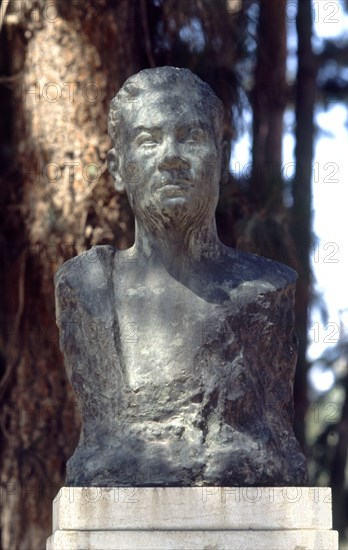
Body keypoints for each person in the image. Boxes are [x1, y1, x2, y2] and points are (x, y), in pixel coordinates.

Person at [55, 67, 307, 486]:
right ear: (118, 169)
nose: (171, 157)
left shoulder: (267, 291)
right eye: (148, 140)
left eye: (191, 136)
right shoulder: (87, 288)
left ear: (222, 159)